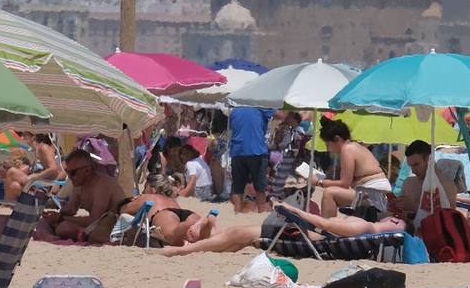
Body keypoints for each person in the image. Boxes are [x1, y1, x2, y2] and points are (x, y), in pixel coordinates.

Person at [162, 201, 399, 256]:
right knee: (236, 239)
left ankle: (182, 250)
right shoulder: (367, 227)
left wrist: (297, 212)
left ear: (395, 223)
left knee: (237, 235)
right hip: (301, 235)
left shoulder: (364, 225)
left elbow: (325, 224)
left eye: (395, 217)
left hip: (298, 236)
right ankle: (207, 234)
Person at [39, 147, 129, 243]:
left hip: (111, 226)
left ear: (87, 170)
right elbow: (71, 209)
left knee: (64, 228)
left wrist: (61, 218)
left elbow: (94, 219)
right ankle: (55, 236)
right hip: (95, 226)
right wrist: (54, 215)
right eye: (67, 172)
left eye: (72, 173)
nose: (69, 176)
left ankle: (80, 235)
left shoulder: (102, 185)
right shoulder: (79, 184)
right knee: (42, 222)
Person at [318, 119, 393, 217]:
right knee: (332, 192)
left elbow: (344, 183)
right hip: (370, 192)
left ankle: (328, 227)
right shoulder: (354, 146)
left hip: (373, 194)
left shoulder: (347, 149)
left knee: (329, 193)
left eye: (328, 144)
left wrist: (319, 182)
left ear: (337, 139)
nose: (328, 149)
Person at [397, 140, 461, 218]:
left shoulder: (446, 184)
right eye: (411, 166)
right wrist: (395, 205)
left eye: (416, 165)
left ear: (428, 159)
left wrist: (414, 206)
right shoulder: (408, 183)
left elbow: (446, 217)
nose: (413, 171)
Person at [228, 105, 274, 213]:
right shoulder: (261, 106)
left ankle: (237, 212)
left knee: (237, 187)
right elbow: (281, 115)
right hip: (256, 151)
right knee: (260, 188)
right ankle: (261, 212)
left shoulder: (235, 110)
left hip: (237, 151)